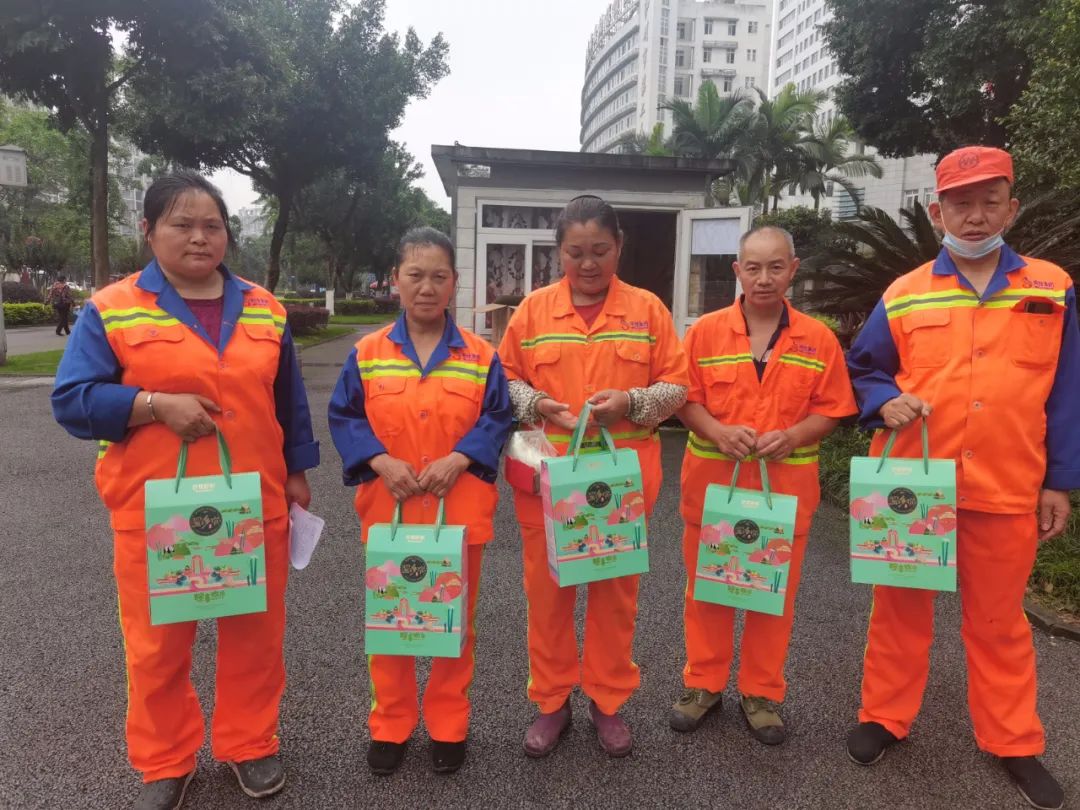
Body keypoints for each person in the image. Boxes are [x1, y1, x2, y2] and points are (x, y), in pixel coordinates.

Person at [51, 171, 319, 810]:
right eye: (182, 224)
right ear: (148, 231)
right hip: (157, 511)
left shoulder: (264, 307)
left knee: (254, 636)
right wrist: (151, 405)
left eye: (212, 226)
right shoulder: (112, 308)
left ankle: (249, 743)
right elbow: (72, 400)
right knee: (157, 645)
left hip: (252, 503)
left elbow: (288, 401)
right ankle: (166, 760)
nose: (200, 237)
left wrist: (297, 471)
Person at [845, 146, 1080, 810]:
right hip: (913, 485)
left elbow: (1068, 390)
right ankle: (884, 716)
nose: (975, 216)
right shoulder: (905, 292)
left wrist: (1059, 480)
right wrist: (882, 400)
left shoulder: (1051, 287)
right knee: (899, 611)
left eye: (988, 201)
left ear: (1012, 207)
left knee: (999, 621)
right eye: (960, 203)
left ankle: (1013, 739)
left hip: (1009, 482)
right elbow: (862, 367)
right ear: (936, 211)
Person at [498, 195, 690, 758]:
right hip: (548, 481)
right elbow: (501, 381)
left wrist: (631, 402)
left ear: (619, 246)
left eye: (600, 251)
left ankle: (608, 701)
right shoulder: (533, 312)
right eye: (575, 252)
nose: (588, 263)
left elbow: (677, 386)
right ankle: (551, 700)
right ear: (558, 252)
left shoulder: (647, 310)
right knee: (548, 596)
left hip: (619, 485)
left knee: (614, 597)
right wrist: (538, 404)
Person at [328, 227, 512, 777]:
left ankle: (448, 724)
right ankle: (391, 724)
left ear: (454, 282)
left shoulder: (480, 355)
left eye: (438, 276)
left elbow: (498, 416)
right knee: (392, 622)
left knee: (454, 624)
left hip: (459, 514)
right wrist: (379, 461)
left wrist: (460, 458)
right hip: (391, 512)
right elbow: (344, 416)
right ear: (396, 280)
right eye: (415, 275)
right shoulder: (367, 353)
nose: (426, 287)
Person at [671, 226, 856, 744]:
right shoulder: (704, 333)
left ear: (793, 270)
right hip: (714, 490)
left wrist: (793, 436)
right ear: (737, 271)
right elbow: (684, 399)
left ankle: (761, 692)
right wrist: (717, 431)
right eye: (753, 267)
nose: (764, 278)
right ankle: (703, 684)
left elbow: (834, 408)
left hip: (783, 492)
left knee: (772, 596)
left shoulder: (817, 339)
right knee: (707, 591)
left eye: (776, 267)